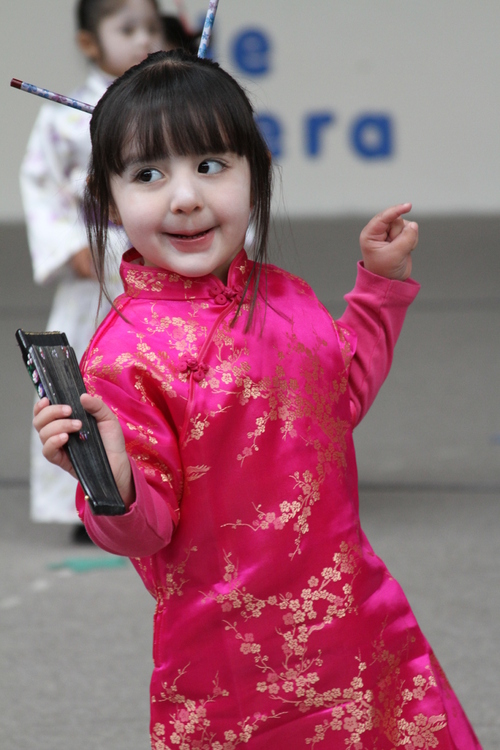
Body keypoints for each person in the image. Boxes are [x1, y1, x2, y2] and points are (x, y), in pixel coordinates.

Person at [33, 50, 482, 748]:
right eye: (148, 175)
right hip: (232, 672)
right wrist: (113, 483)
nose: (186, 197)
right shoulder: (123, 358)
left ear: (257, 170)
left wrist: (378, 289)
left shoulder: (285, 296)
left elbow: (337, 402)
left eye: (211, 165)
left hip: (357, 624)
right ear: (105, 199)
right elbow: (144, 532)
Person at [20, 0, 164, 537]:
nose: (143, 39)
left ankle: (168, 483)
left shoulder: (171, 106)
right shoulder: (63, 118)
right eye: (126, 28)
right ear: (89, 42)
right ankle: (85, 495)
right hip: (96, 271)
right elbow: (41, 184)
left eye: (151, 27)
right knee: (84, 381)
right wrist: (68, 246)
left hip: (162, 264)